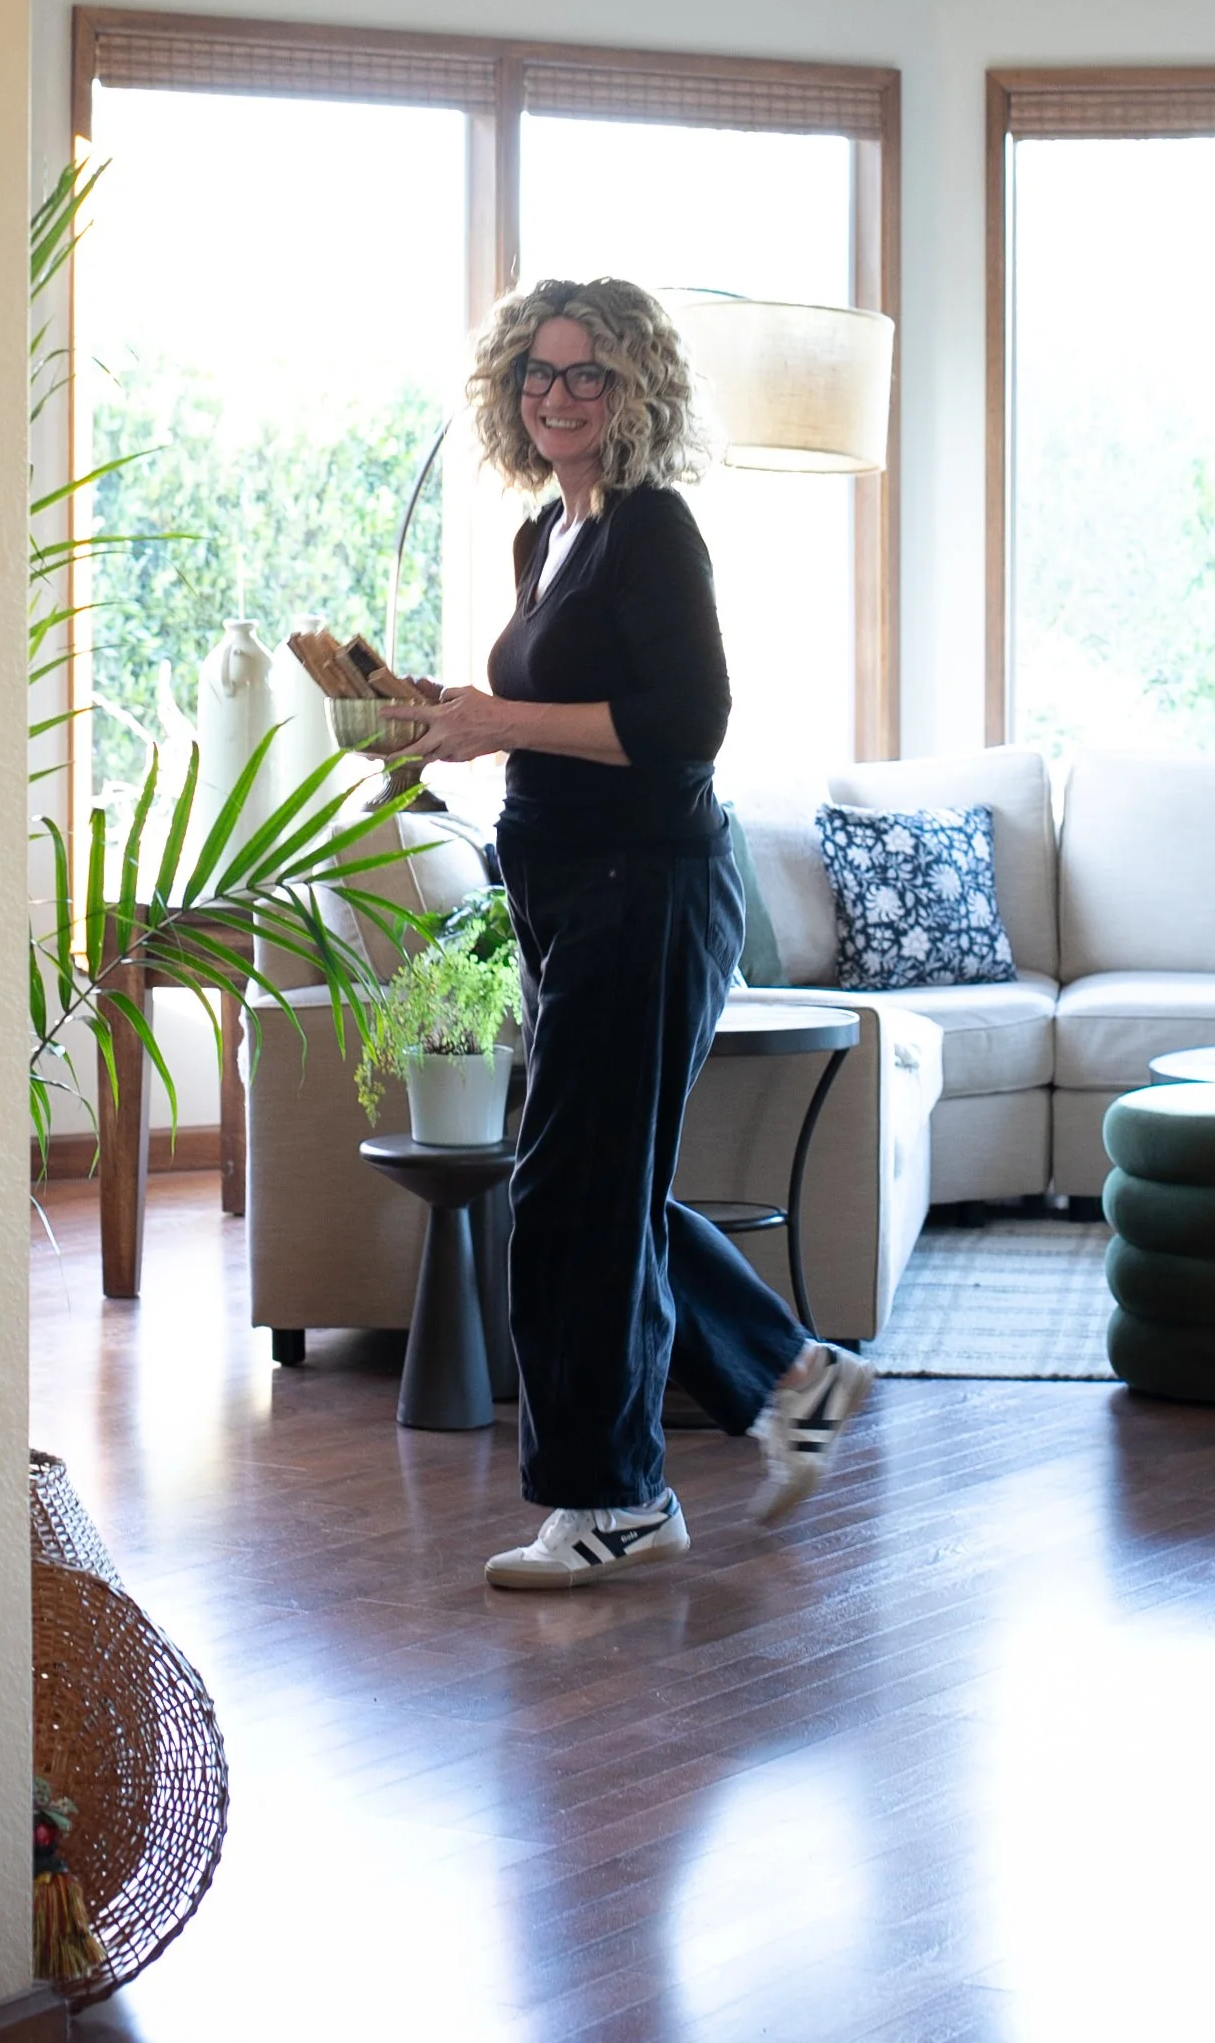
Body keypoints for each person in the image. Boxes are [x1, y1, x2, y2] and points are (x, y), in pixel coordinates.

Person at [388, 277, 871, 1589]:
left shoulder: (654, 530)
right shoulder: (549, 534)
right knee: (604, 1186)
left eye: (586, 375)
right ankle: (794, 1378)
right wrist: (448, 718)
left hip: (644, 890)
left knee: (568, 1195)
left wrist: (502, 720)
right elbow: (548, 714)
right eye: (537, 375)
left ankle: (613, 1498)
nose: (557, 397)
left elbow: (683, 727)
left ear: (637, 390)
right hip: (560, 888)